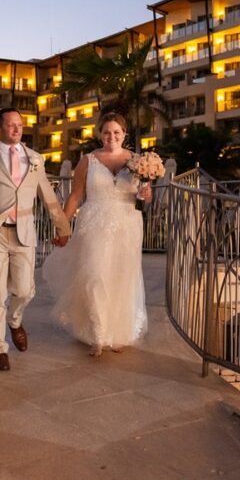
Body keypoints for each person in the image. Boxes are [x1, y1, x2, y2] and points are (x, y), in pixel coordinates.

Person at [0, 108, 72, 371]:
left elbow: (47, 195)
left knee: (24, 290)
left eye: (19, 125)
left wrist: (62, 227)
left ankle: (15, 320)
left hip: (23, 233)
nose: (16, 129)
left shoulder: (35, 159)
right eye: (10, 125)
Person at [42, 112, 151, 357]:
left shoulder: (138, 161)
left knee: (121, 278)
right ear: (100, 134)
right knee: (94, 275)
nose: (111, 137)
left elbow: (144, 195)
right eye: (106, 132)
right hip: (94, 223)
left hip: (127, 224)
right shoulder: (88, 161)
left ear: (124, 134)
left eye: (116, 132)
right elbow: (76, 196)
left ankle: (117, 333)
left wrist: (145, 195)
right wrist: (63, 225)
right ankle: (97, 334)